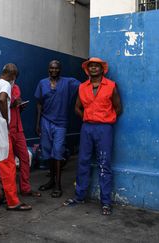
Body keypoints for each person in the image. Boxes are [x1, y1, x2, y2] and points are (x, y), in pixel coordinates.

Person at [63, 57, 122, 216]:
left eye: (97, 66)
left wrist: (105, 118)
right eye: (91, 66)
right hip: (87, 128)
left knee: (104, 164)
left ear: (103, 69)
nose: (94, 68)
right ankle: (80, 196)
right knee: (83, 161)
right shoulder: (82, 87)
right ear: (87, 70)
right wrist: (87, 117)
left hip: (104, 129)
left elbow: (118, 107)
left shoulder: (111, 86)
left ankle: (106, 202)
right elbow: (77, 107)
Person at [0, 63, 32, 211]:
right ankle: (12, 201)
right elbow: (2, 99)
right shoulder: (6, 84)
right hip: (0, 133)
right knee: (8, 167)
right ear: (12, 76)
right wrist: (5, 121)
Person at [34, 60, 80, 198]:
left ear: (60, 70)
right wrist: (37, 124)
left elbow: (85, 86)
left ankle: (58, 185)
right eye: (51, 68)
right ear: (48, 69)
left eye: (56, 68)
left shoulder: (69, 82)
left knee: (58, 152)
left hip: (60, 123)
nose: (53, 70)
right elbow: (39, 104)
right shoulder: (42, 83)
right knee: (48, 153)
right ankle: (51, 181)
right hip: (45, 121)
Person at [10, 80, 41, 197]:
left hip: (18, 129)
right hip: (6, 130)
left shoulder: (16, 87)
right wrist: (13, 103)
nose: (12, 80)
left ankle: (25, 188)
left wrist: (20, 107)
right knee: (8, 163)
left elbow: (15, 106)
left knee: (25, 157)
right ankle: (9, 192)